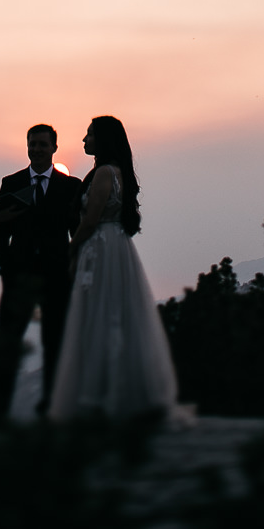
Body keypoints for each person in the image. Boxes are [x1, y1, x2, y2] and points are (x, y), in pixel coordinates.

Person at [47, 115, 180, 420]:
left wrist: (71, 249)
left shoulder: (105, 173)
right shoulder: (116, 172)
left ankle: (102, 395)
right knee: (113, 315)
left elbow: (91, 219)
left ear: (103, 140)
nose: (84, 140)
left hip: (101, 246)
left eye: (89, 135)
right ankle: (114, 390)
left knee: (100, 315)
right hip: (115, 245)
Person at [0, 123, 85, 422]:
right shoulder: (11, 183)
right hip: (19, 275)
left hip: (57, 276)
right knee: (7, 342)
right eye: (33, 144)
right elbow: (1, 230)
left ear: (55, 148)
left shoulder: (70, 186)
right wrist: (2, 264)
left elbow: (76, 230)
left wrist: (74, 267)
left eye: (43, 144)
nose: (37, 149)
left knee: (56, 342)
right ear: (27, 146)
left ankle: (52, 408)